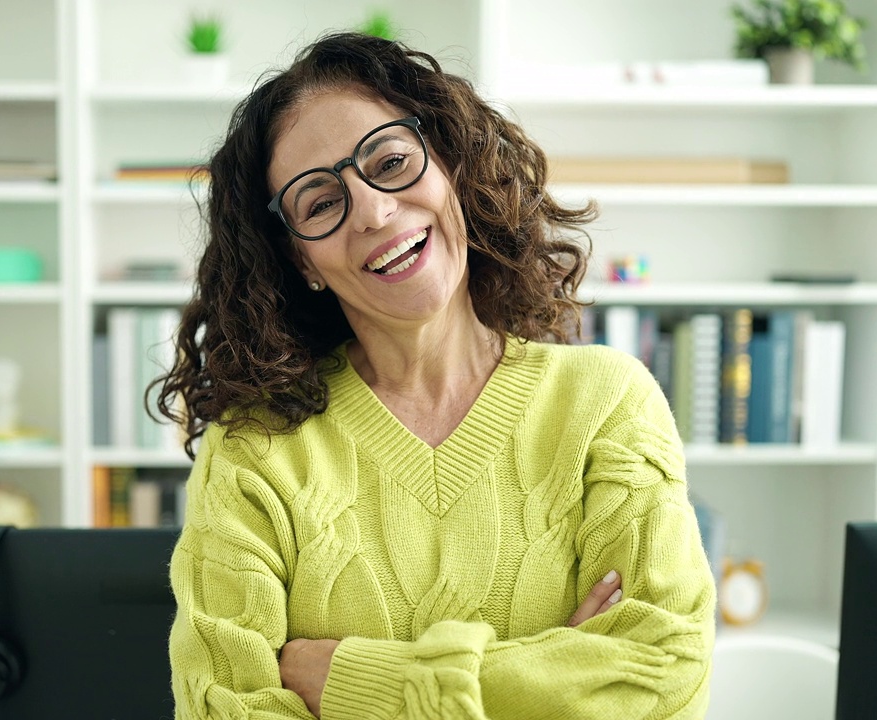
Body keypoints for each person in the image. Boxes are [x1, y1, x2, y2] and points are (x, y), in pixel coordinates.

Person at [156, 32, 715, 719]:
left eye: (389, 161)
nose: (373, 210)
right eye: (320, 203)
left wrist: (351, 681)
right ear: (300, 261)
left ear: (450, 164)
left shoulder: (606, 404)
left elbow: (665, 676)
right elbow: (224, 710)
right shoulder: (253, 452)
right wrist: (552, 682)